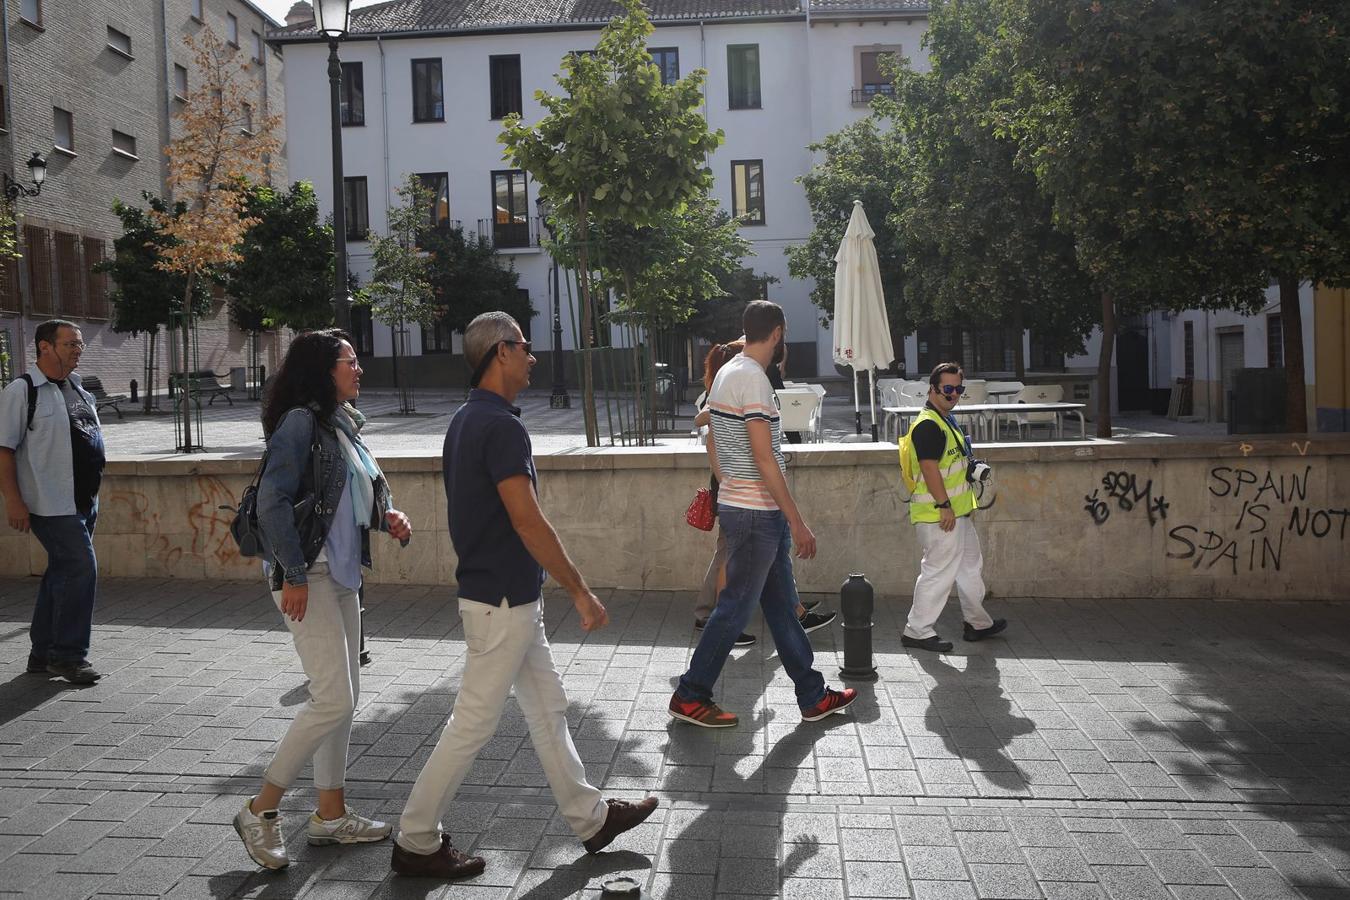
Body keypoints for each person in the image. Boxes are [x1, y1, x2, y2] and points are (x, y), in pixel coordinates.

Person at [393, 311, 657, 881]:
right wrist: (581, 591)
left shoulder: (467, 420)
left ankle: (592, 818)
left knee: (548, 707)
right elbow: (528, 522)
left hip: (506, 598)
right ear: (501, 352)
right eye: (526, 347)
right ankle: (416, 839)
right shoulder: (500, 428)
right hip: (502, 602)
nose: (534, 357)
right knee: (472, 724)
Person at [232, 329, 412, 870]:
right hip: (304, 572)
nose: (359, 370)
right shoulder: (300, 422)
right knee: (331, 696)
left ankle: (330, 816)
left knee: (346, 697)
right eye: (349, 362)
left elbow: (354, 493)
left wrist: (387, 517)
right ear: (322, 370)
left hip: (340, 574)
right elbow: (272, 501)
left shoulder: (344, 427)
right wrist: (291, 573)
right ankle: (260, 810)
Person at [670, 301, 857, 729]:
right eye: (783, 334)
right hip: (757, 512)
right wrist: (797, 520)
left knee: (781, 607)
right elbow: (764, 457)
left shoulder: (727, 374)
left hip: (744, 506)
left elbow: (717, 439)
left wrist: (735, 489)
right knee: (734, 608)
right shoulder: (752, 380)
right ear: (776, 332)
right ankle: (690, 694)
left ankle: (812, 695)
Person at [692, 341, 834, 646]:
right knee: (731, 556)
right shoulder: (729, 388)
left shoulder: (731, 385)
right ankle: (717, 622)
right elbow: (710, 436)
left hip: (740, 487)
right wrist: (727, 481)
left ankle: (791, 613)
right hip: (738, 489)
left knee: (764, 556)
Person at [0, 319, 106, 685]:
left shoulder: (77, 388)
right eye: (70, 344)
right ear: (45, 347)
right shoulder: (21, 390)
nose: (78, 350)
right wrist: (13, 501)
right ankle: (68, 656)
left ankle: (42, 653)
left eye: (80, 345)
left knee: (61, 572)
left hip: (83, 501)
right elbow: (4, 450)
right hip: (49, 503)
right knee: (81, 569)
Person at [900, 362, 1007, 653]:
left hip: (956, 514)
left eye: (959, 389)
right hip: (939, 515)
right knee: (937, 571)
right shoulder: (928, 425)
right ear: (932, 389)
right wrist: (944, 505)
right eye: (947, 389)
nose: (954, 394)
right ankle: (917, 630)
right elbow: (929, 467)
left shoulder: (945, 420)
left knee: (970, 566)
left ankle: (977, 622)